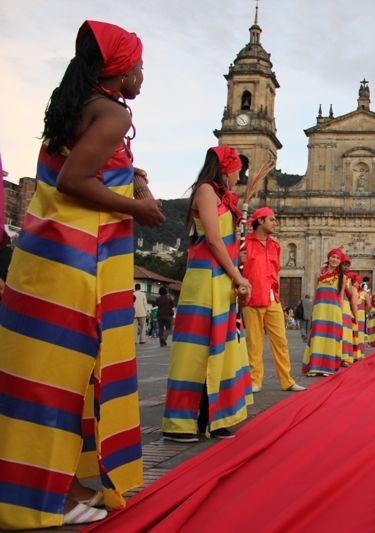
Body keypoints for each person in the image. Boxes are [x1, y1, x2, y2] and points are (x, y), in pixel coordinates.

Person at [0, 20, 164, 528]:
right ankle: (42, 500)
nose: (142, 73)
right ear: (118, 69)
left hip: (42, 256)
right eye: (137, 64)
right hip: (76, 262)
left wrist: (128, 175)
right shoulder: (112, 113)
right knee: (66, 381)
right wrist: (139, 210)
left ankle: (57, 483)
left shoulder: (76, 106)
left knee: (39, 379)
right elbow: (75, 181)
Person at [162, 145, 253, 442]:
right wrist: (238, 274)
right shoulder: (205, 191)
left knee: (222, 349)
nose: (240, 174)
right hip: (205, 278)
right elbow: (213, 241)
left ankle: (214, 417)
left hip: (222, 280)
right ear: (226, 167)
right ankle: (182, 423)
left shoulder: (226, 198)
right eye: (237, 168)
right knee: (196, 350)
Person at [241, 206, 305, 393]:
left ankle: (287, 380)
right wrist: (238, 259)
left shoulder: (275, 246)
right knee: (254, 343)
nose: (275, 223)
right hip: (252, 298)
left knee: (281, 341)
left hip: (272, 298)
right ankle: (255, 380)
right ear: (260, 221)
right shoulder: (245, 244)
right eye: (272, 220)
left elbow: (274, 272)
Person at [303, 248, 347, 376]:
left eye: (338, 258)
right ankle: (314, 366)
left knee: (330, 337)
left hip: (333, 310)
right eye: (333, 257)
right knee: (317, 336)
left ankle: (328, 368)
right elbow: (315, 291)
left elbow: (341, 296)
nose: (335, 260)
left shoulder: (342, 277)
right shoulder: (319, 273)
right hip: (320, 309)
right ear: (328, 258)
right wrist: (313, 308)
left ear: (340, 262)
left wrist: (341, 313)